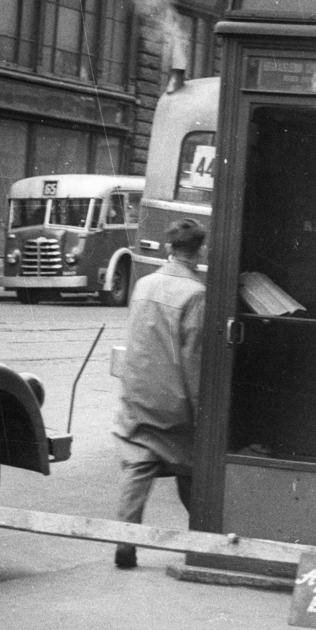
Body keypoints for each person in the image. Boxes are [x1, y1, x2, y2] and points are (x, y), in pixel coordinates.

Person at [111, 219, 206, 569]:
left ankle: (124, 543)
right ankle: (204, 538)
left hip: (138, 396)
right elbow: (193, 360)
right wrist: (201, 410)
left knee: (138, 465)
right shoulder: (195, 294)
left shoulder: (143, 285)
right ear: (199, 252)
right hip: (173, 404)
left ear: (168, 248)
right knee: (192, 468)